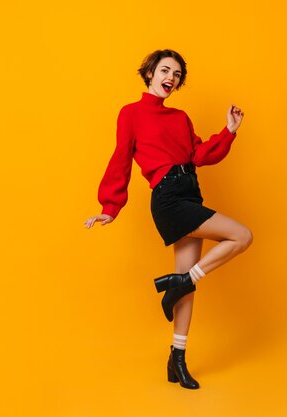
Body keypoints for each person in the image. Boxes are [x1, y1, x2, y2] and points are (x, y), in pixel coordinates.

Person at [84, 49, 252, 389]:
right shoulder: (130, 114)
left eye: (176, 74)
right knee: (242, 236)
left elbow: (199, 154)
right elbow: (121, 159)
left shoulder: (180, 117)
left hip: (191, 192)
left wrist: (229, 131)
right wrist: (110, 206)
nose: (171, 78)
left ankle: (177, 359)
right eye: (165, 70)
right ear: (149, 74)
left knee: (186, 287)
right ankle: (179, 281)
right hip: (169, 197)